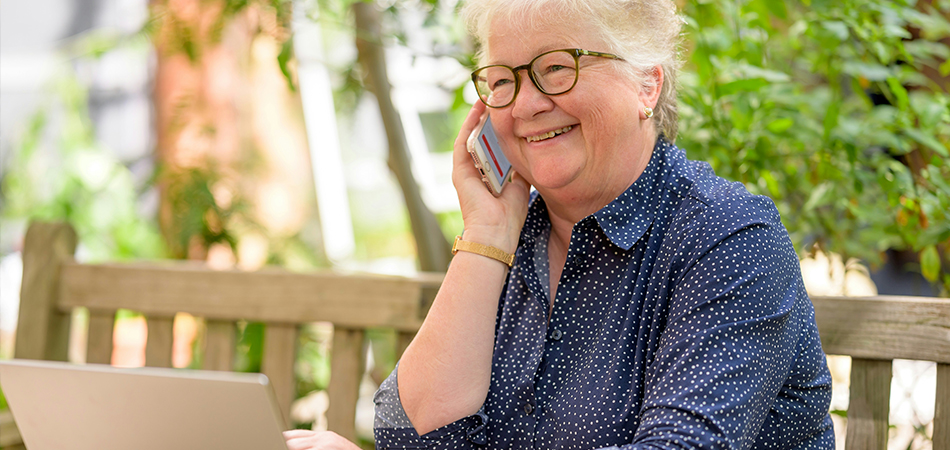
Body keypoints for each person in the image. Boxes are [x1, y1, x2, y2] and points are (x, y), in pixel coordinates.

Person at [286, 0, 835, 449]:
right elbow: (411, 437)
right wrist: (487, 234)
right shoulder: (511, 237)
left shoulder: (731, 238)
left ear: (646, 84)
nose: (525, 104)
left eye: (555, 67)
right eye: (502, 81)